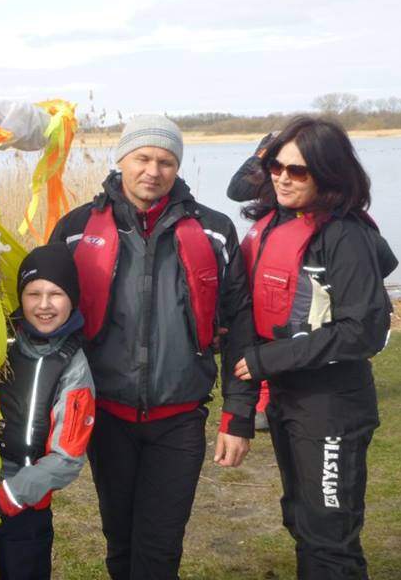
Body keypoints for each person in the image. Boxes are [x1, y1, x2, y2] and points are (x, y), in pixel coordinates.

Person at [49, 114, 259, 580]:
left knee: (160, 546)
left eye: (166, 161)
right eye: (142, 157)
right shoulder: (76, 228)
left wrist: (238, 413)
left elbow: (241, 327)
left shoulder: (215, 230)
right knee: (119, 540)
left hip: (179, 421)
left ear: (177, 167)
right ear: (122, 159)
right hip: (106, 417)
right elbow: (46, 323)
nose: (153, 170)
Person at [232, 115, 396, 579]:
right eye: (277, 167)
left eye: (297, 171)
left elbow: (362, 330)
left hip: (332, 403)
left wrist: (268, 358)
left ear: (328, 173)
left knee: (329, 531)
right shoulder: (276, 221)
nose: (282, 177)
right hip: (289, 396)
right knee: (301, 518)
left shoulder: (346, 236)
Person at [0, 242, 97, 580]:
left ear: (73, 297)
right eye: (33, 293)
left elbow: (67, 457)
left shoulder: (74, 367)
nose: (43, 305)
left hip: (24, 506)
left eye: (55, 294)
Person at [226, 131, 276, 432]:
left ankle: (268, 398)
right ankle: (262, 396)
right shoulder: (272, 158)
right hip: (271, 234)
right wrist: (260, 157)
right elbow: (237, 190)